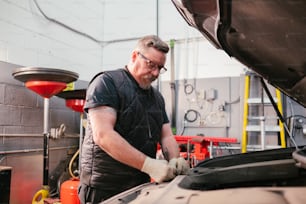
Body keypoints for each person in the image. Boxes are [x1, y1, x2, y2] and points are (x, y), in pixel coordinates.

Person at [78, 35, 189, 203]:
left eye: (160, 68)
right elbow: (103, 135)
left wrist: (175, 159)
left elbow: (166, 135)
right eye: (151, 65)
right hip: (105, 187)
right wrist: (149, 165)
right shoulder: (107, 83)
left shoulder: (157, 98)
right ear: (135, 56)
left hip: (139, 184)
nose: (156, 73)